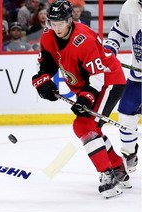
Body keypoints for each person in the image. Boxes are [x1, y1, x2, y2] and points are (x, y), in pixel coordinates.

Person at [31, 0, 128, 199]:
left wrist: (85, 99)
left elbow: (97, 77)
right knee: (92, 128)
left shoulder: (84, 39)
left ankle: (108, 174)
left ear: (69, 20)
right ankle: (118, 168)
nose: (56, 28)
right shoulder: (48, 35)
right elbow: (47, 64)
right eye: (52, 23)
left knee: (83, 126)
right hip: (87, 85)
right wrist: (43, 80)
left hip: (109, 80)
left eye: (60, 23)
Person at [103, 0, 141, 173]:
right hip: (138, 77)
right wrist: (109, 53)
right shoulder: (130, 6)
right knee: (125, 114)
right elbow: (117, 33)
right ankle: (129, 154)